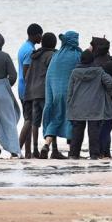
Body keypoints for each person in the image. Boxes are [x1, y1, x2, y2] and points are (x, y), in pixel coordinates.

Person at [66, 50, 112, 159]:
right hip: (95, 105)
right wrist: (107, 94)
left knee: (77, 132)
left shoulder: (75, 72)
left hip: (78, 106)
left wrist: (69, 104)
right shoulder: (99, 71)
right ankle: (94, 154)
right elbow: (110, 82)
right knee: (94, 131)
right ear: (92, 59)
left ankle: (74, 154)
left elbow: (69, 91)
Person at [40, 31, 81, 159]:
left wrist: (50, 97)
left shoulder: (56, 56)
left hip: (55, 93)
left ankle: (46, 145)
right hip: (71, 94)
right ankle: (71, 150)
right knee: (71, 120)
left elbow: (49, 77)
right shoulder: (77, 55)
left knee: (55, 118)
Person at [23, 32, 57, 158]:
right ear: (54, 44)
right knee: (52, 120)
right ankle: (53, 149)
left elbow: (28, 75)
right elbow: (53, 74)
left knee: (35, 122)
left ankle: (35, 149)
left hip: (32, 93)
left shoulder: (35, 55)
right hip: (44, 92)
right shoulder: (52, 55)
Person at [17, 23, 43, 158]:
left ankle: (27, 153)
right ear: (34, 35)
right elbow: (27, 74)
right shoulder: (29, 51)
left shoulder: (25, 47)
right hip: (27, 89)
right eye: (40, 34)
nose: (41, 37)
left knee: (28, 118)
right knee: (30, 119)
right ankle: (17, 149)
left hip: (21, 88)